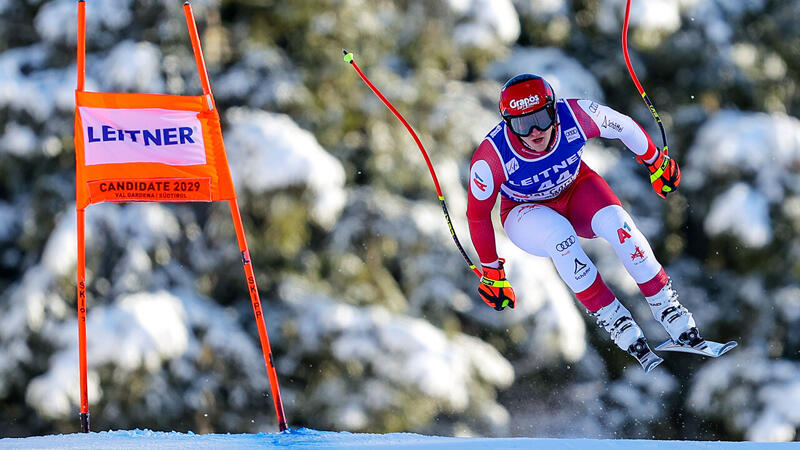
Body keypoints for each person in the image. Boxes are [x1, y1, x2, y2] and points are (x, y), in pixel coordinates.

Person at [466, 73, 700, 369]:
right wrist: (491, 272)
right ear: (508, 123)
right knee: (560, 235)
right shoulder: (492, 156)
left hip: (577, 189)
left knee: (619, 224)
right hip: (525, 212)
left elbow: (624, 126)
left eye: (541, 118)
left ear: (554, 109)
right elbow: (477, 214)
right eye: (522, 124)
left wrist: (655, 161)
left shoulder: (577, 115)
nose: (535, 132)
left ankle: (667, 307)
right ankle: (615, 320)